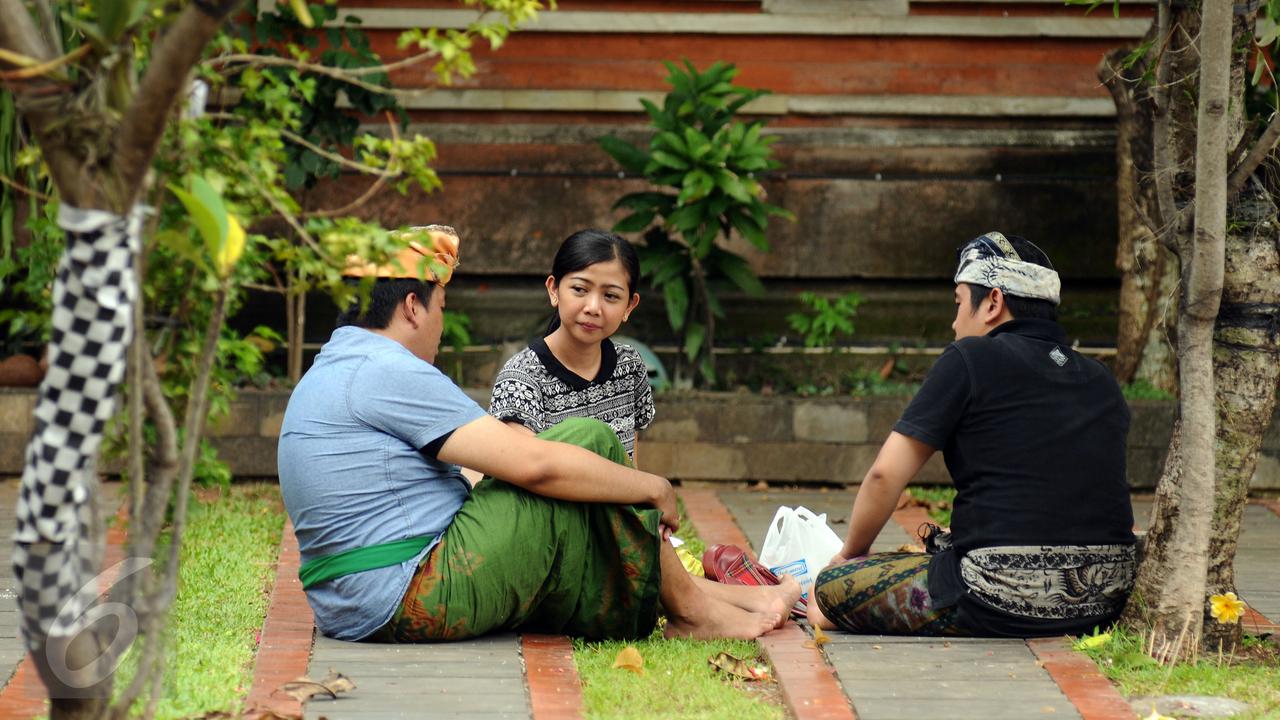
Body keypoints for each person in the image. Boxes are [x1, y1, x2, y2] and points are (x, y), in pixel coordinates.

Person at [277, 225, 799, 644]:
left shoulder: (343, 361)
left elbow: (474, 466)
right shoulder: (387, 369)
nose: (439, 324)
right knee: (586, 442)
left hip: (357, 597)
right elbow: (534, 463)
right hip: (404, 591)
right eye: (441, 308)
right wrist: (655, 487)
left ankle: (695, 598)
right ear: (413, 306)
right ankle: (692, 607)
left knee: (580, 481)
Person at [808, 231, 1136, 638]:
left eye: (959, 303)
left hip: (994, 594)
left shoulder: (970, 358)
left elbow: (884, 475)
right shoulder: (1100, 378)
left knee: (827, 592)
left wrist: (850, 556)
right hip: (1102, 599)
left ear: (993, 302)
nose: (954, 321)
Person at [489, 229, 653, 465]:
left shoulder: (630, 365)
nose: (593, 307)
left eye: (610, 296)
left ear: (629, 305)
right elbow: (523, 469)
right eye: (579, 289)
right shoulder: (521, 378)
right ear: (554, 290)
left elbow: (630, 457)